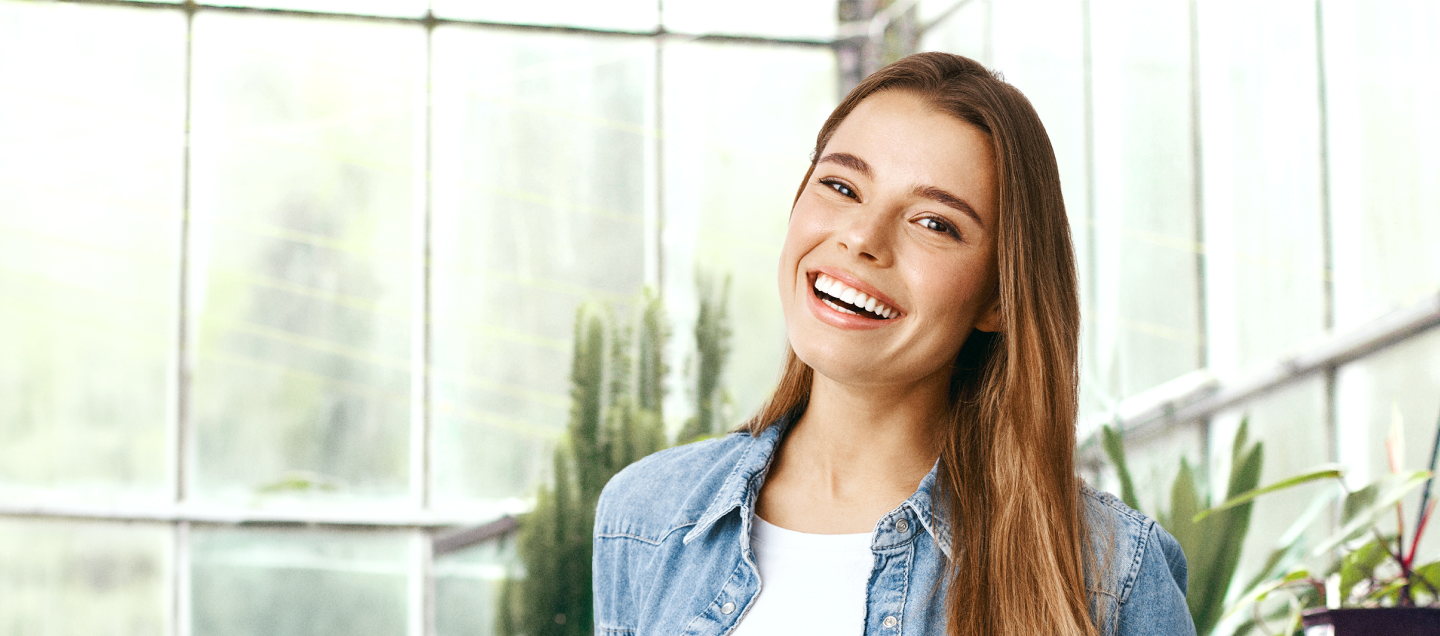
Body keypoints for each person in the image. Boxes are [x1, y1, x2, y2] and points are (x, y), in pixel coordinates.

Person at [592, 52, 1195, 636]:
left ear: (999, 299)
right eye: (842, 186)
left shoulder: (1109, 576)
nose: (861, 238)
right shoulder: (648, 516)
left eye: (934, 222)